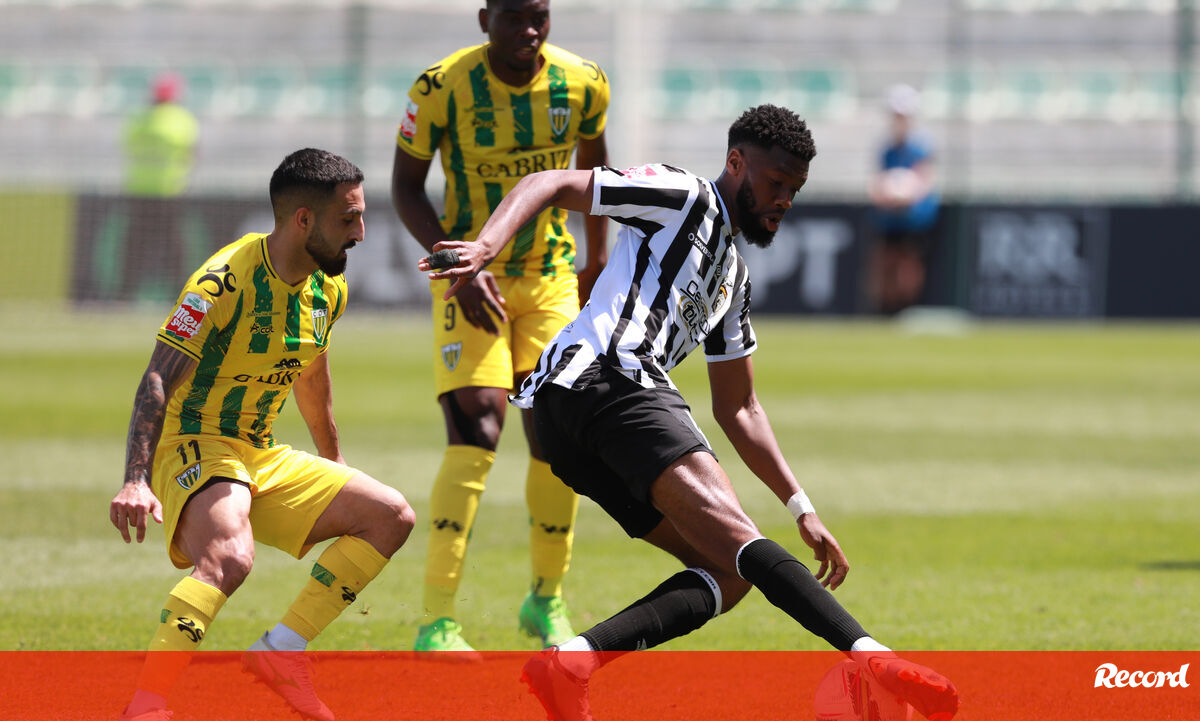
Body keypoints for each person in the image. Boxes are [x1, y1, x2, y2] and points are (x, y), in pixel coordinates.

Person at [420, 104, 960, 721]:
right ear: (736, 162)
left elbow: (740, 406)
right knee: (740, 541)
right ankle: (874, 657)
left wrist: (800, 507)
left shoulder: (733, 275)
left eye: (795, 189)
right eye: (776, 183)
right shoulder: (681, 195)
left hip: (575, 419)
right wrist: (486, 246)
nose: (784, 200)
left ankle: (571, 663)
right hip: (608, 378)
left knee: (729, 572)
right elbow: (549, 181)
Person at [109, 148, 416, 721]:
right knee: (230, 556)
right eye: (348, 218)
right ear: (303, 219)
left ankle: (281, 651)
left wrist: (333, 460)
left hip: (259, 450)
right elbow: (157, 376)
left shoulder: (328, 289)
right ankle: (145, 705)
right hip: (194, 441)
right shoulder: (221, 282)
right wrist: (134, 479)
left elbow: (311, 374)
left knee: (390, 516)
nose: (361, 233)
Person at [391, 0, 609, 654]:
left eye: (539, 16)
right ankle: (437, 620)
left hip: (549, 276)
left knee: (556, 431)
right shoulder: (440, 87)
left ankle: (545, 600)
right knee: (478, 426)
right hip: (469, 275)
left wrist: (597, 261)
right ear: (484, 19)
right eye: (514, 17)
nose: (529, 30)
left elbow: (595, 178)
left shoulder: (584, 83)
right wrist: (457, 263)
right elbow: (406, 189)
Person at [865, 83, 940, 315]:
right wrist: (884, 194)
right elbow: (878, 182)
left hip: (915, 219)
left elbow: (924, 181)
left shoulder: (921, 147)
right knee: (885, 264)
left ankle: (906, 310)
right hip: (890, 219)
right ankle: (885, 312)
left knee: (908, 267)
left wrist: (904, 195)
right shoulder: (887, 149)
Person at [123, 71, 199, 198]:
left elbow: (126, 146)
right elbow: (193, 153)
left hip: (138, 187)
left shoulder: (138, 118)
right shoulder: (183, 119)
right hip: (171, 188)